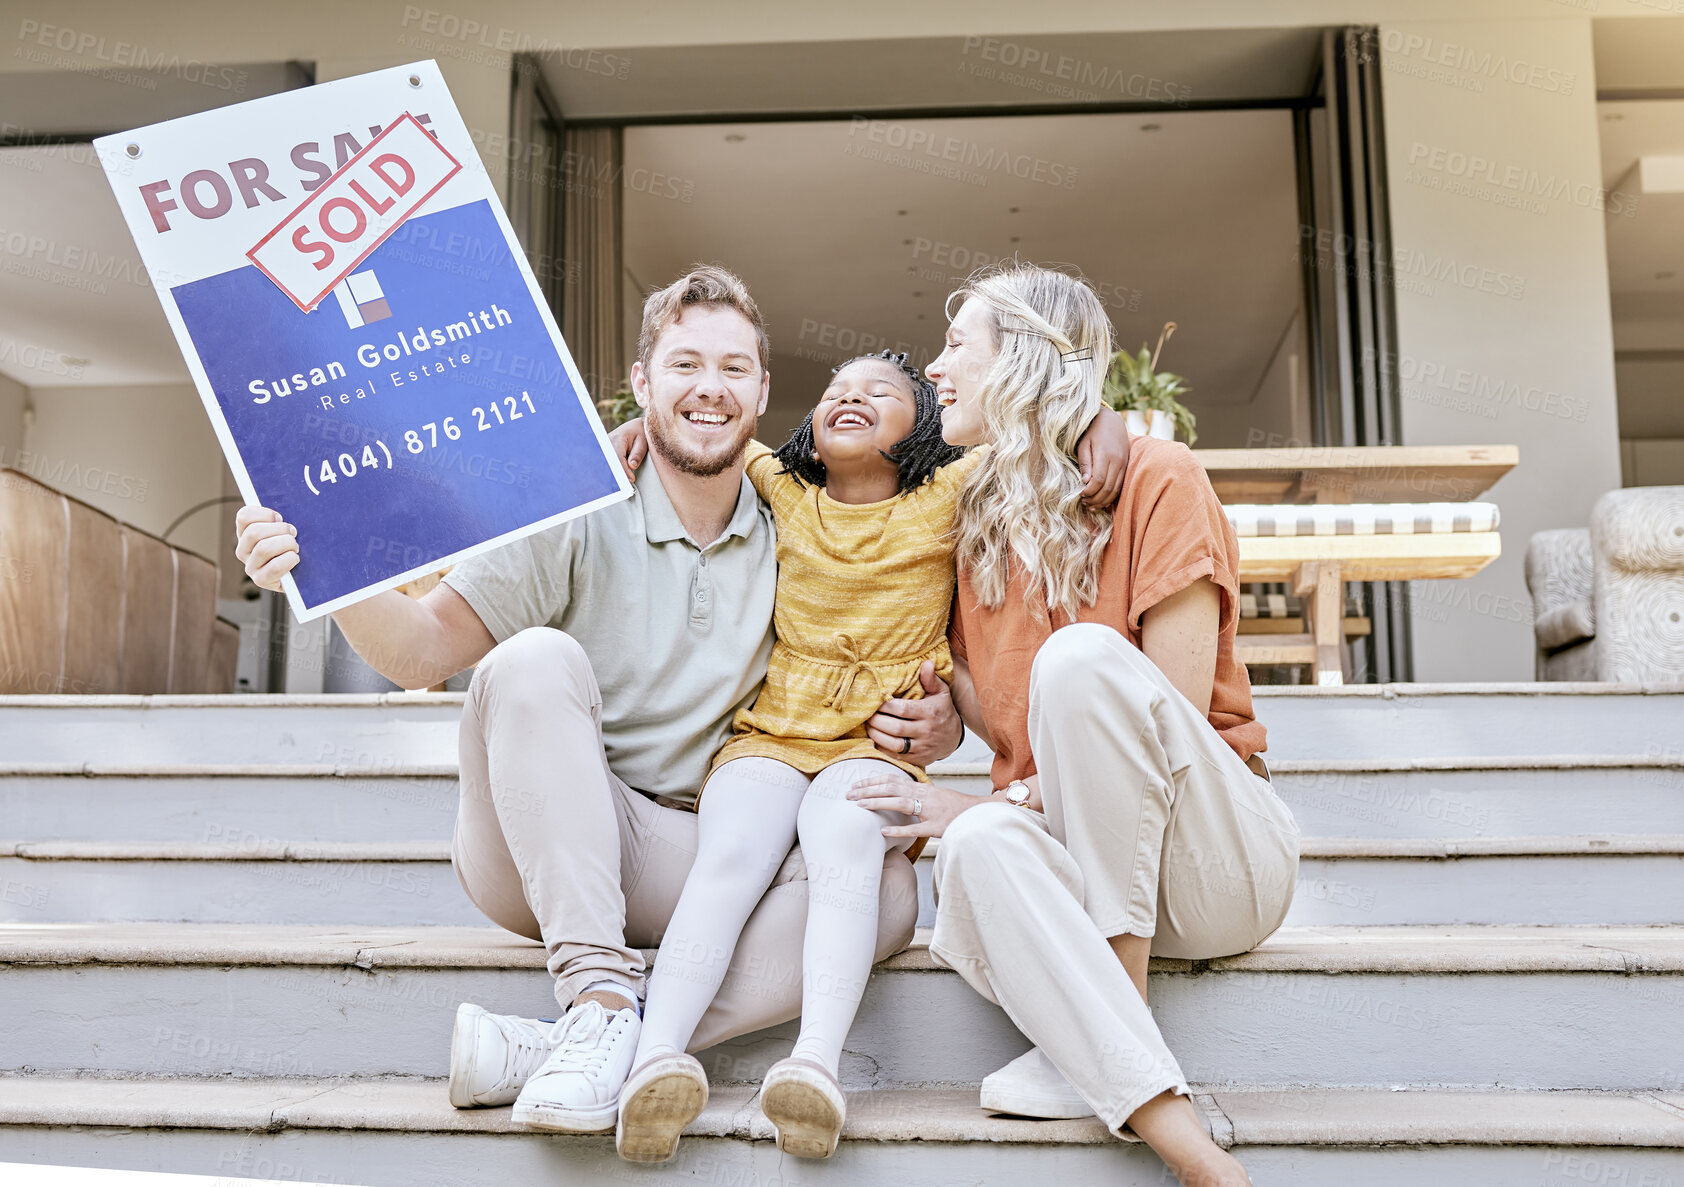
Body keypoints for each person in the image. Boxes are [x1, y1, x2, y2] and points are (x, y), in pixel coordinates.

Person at [233, 265, 965, 1135]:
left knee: (883, 888)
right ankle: (597, 992)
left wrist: (940, 714)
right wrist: (322, 570)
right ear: (641, 382)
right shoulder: (575, 502)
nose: (709, 389)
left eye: (734, 369)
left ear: (765, 392)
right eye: (685, 364)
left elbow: (887, 639)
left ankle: (592, 1041)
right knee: (534, 659)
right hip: (543, 842)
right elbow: (419, 650)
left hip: (693, 846)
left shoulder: (796, 526)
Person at [604, 353, 1128, 1161]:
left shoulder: (947, 494)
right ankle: (653, 1058)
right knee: (731, 854)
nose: (850, 397)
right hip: (770, 733)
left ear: (922, 425)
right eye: (835, 392)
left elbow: (1029, 426)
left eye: (879, 393)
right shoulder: (783, 487)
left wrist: (1100, 415)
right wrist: (642, 422)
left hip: (871, 738)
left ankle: (814, 1061)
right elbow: (704, 435)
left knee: (847, 840)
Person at [849, 263, 1300, 1187]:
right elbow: (1000, 715)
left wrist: (999, 793)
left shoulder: (1157, 476)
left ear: (1022, 360)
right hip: (1071, 859)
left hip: (1210, 859)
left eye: (956, 346)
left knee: (1082, 663)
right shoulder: (963, 517)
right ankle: (1194, 1150)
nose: (936, 369)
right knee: (976, 844)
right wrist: (950, 722)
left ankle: (1108, 1015)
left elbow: (1164, 718)